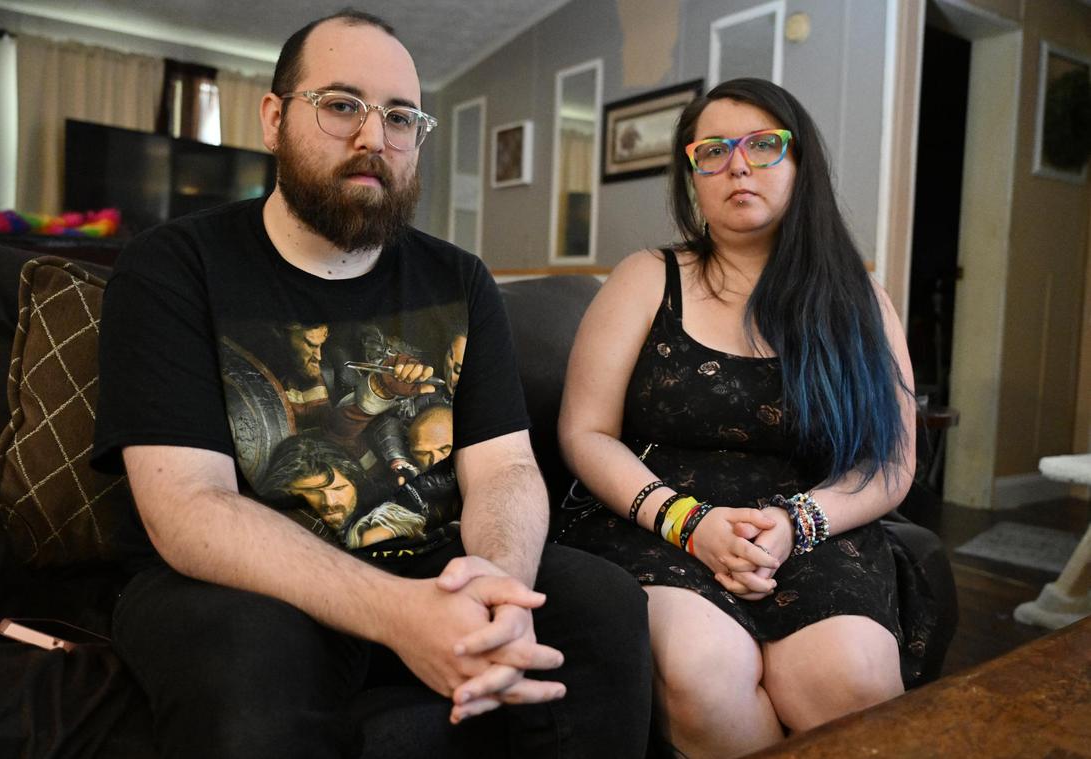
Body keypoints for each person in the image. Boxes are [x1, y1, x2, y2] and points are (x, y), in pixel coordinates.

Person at [91, 9, 652, 758]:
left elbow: (507, 469)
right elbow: (188, 508)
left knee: (603, 603)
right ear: (273, 117)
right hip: (242, 582)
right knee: (249, 660)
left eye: (399, 116)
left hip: (431, 559)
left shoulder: (460, 279)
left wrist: (494, 595)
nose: (372, 137)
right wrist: (399, 615)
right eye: (341, 104)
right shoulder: (172, 267)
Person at [555, 77, 919, 759]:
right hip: (658, 519)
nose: (738, 166)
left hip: (813, 526)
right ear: (692, 173)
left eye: (763, 145)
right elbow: (585, 432)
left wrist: (791, 523)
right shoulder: (645, 276)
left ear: (800, 162)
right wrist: (688, 522)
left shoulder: (862, 298)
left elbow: (892, 460)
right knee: (705, 672)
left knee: (852, 677)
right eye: (713, 151)